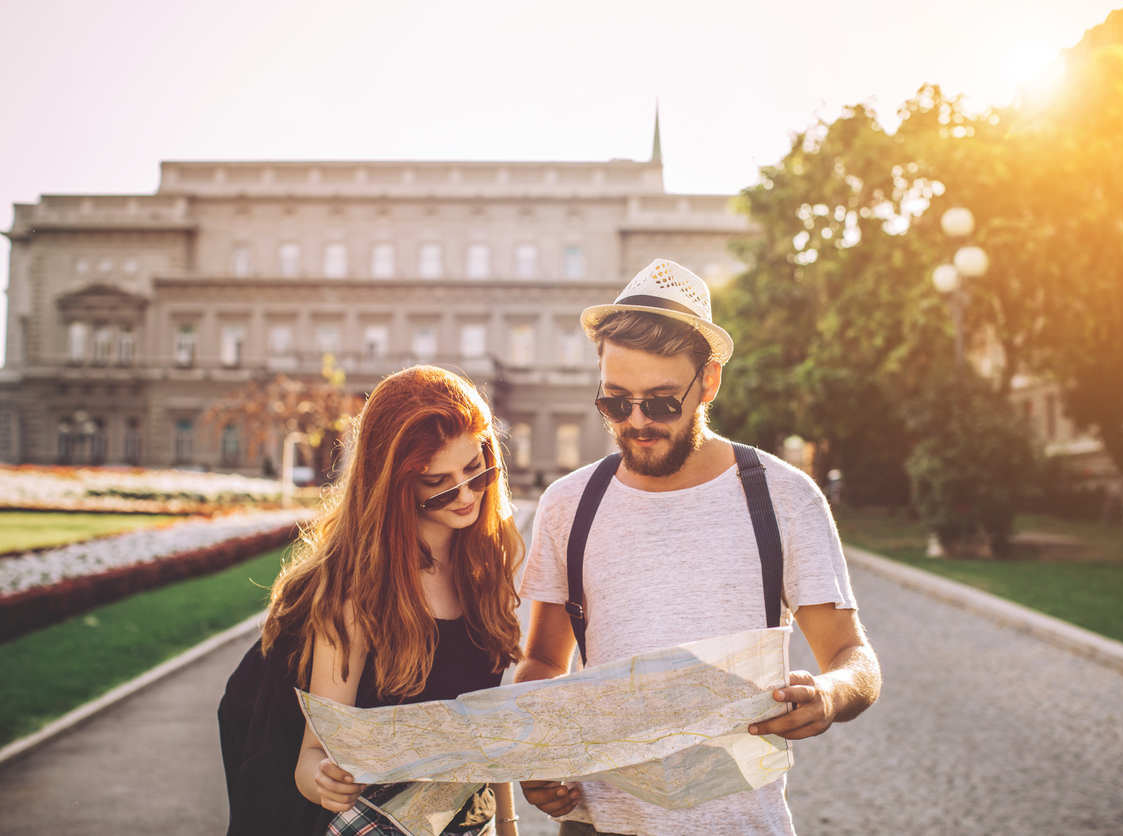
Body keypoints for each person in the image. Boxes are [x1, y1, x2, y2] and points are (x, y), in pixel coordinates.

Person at [514, 259, 882, 836]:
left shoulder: (782, 497)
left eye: (661, 402)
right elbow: (542, 660)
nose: (636, 422)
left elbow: (854, 661)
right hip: (596, 827)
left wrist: (830, 695)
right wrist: (539, 754)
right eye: (615, 401)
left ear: (708, 382)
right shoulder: (568, 504)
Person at [219, 365, 525, 836]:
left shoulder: (483, 569)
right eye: (439, 483)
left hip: (469, 823)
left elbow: (485, 727)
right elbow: (312, 756)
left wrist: (507, 823)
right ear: (397, 485)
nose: (467, 495)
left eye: (475, 470)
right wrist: (322, 780)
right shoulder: (357, 598)